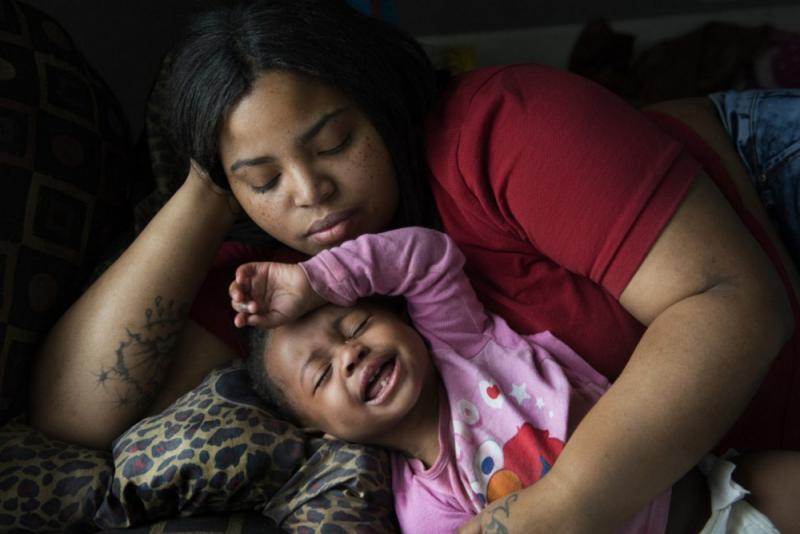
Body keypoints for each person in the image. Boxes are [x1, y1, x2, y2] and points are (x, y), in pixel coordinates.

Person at [28, 0, 798, 532]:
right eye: (263, 179)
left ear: (380, 103)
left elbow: (732, 299)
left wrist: (550, 513)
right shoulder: (284, 283)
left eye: (333, 143)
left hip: (775, 198)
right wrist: (210, 166)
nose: (310, 192)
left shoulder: (497, 125)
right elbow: (73, 410)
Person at [230, 226, 796, 534]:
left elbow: (425, 257)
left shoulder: (461, 343)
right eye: (324, 372)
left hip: (715, 491)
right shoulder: (424, 509)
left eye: (354, 324)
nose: (351, 353)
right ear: (323, 432)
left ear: (398, 320)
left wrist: (317, 279)